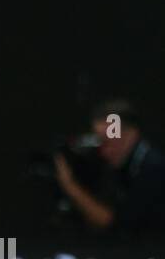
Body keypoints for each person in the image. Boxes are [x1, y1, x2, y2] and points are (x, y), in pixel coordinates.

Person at [54, 99, 165, 234]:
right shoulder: (122, 166)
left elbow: (115, 224)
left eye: (107, 141)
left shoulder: (153, 169)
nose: (103, 151)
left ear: (131, 134)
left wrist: (69, 185)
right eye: (99, 142)